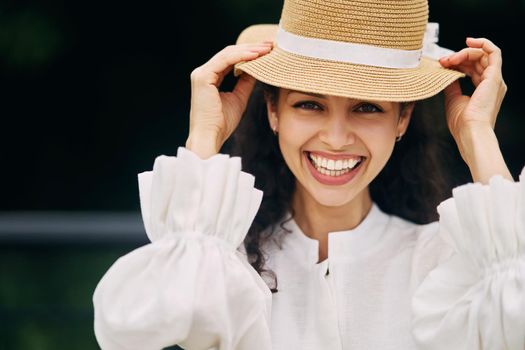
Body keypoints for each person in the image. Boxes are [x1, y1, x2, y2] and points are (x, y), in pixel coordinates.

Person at [92, 0, 525, 349]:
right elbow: (133, 329)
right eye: (309, 104)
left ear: (402, 120)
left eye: (368, 107)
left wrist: (477, 137)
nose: (336, 138)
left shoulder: (446, 262)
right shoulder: (226, 263)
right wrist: (205, 133)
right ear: (273, 110)